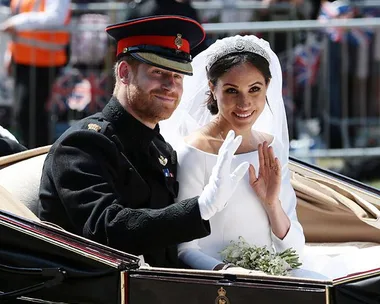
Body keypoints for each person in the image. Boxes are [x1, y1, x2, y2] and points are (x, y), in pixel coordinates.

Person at [38, 15, 250, 268]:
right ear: (125, 72)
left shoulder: (161, 148)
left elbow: (167, 247)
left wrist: (219, 269)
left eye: (178, 76)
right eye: (158, 72)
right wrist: (201, 208)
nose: (170, 86)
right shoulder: (83, 145)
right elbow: (108, 231)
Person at [160, 35, 305, 272]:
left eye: (254, 89)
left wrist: (272, 204)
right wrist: (230, 274)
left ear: (267, 86)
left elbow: (295, 252)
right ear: (212, 88)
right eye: (231, 90)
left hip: (273, 276)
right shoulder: (194, 151)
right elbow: (184, 248)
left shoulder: (271, 147)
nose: (244, 103)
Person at [0, 0, 71, 148]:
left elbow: (56, 17)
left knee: (33, 115)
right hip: (23, 60)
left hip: (44, 63)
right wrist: (10, 54)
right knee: (25, 114)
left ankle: (38, 156)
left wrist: (18, 22)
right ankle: (31, 154)